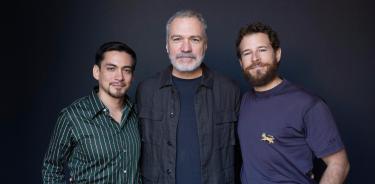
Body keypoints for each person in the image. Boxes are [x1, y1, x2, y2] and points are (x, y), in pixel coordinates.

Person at [236, 22, 350, 183]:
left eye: (262, 50)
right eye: (247, 53)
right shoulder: (242, 102)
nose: (255, 58)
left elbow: (339, 164)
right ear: (241, 63)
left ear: (277, 54)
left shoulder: (308, 105)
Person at [136, 10, 241, 184]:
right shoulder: (146, 90)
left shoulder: (230, 90)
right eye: (177, 39)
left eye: (195, 39)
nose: (186, 48)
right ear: (167, 45)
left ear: (205, 45)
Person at [42, 41, 141, 183]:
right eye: (111, 68)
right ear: (96, 72)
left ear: (132, 76)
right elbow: (51, 168)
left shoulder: (138, 114)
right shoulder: (72, 116)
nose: (119, 77)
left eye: (126, 70)